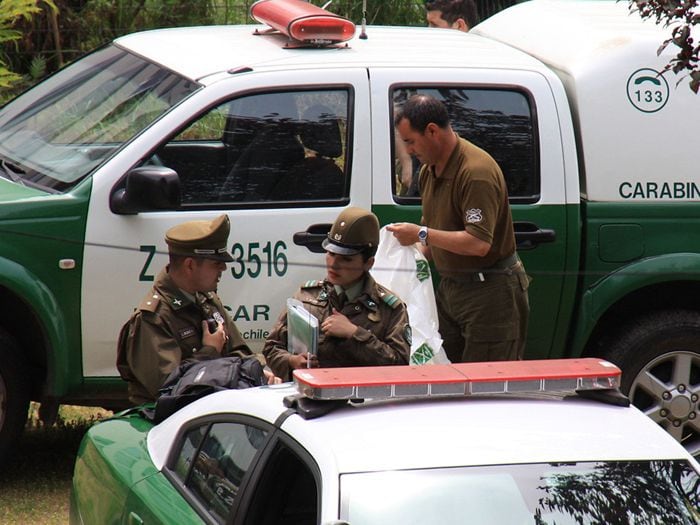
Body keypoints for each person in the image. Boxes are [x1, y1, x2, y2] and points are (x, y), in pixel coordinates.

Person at [388, 94, 529, 363]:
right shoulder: (430, 171)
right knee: (441, 370)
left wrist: (419, 233)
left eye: (410, 141)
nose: (408, 151)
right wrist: (404, 263)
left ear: (432, 131)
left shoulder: (475, 172)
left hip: (490, 292)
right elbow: (432, 232)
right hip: (451, 289)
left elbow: (478, 243)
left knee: (484, 387)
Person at [117, 214, 277, 404]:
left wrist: (259, 372)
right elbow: (171, 389)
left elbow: (238, 351)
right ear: (190, 265)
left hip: (212, 408)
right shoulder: (153, 318)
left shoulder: (206, 299)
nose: (224, 268)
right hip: (168, 421)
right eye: (216, 263)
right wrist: (209, 350)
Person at [264, 207, 411, 381]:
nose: (334, 264)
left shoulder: (390, 309)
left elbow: (400, 366)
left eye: (346, 259)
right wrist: (292, 361)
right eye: (331, 254)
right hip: (310, 399)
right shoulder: (307, 296)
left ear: (368, 263)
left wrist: (355, 334)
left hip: (363, 402)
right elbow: (271, 347)